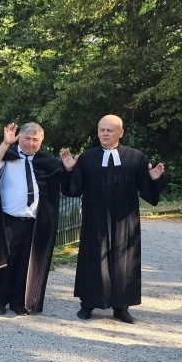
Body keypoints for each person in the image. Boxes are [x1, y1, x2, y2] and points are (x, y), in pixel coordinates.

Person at [61, 115, 167, 324]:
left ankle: (121, 308)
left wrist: (155, 180)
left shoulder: (135, 157)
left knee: (124, 261)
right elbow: (73, 190)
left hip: (124, 219)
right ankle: (88, 304)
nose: (105, 133)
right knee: (93, 259)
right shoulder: (87, 158)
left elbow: (147, 191)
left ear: (121, 132)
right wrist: (69, 170)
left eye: (109, 130)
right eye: (102, 130)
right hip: (95, 218)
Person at [0, 122, 65, 316]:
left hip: (34, 222)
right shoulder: (7, 156)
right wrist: (5, 144)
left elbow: (65, 185)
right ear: (19, 138)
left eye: (35, 140)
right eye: (27, 138)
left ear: (41, 141)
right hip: (7, 220)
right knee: (4, 262)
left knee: (26, 263)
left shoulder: (47, 162)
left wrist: (70, 169)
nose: (30, 143)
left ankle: (18, 302)